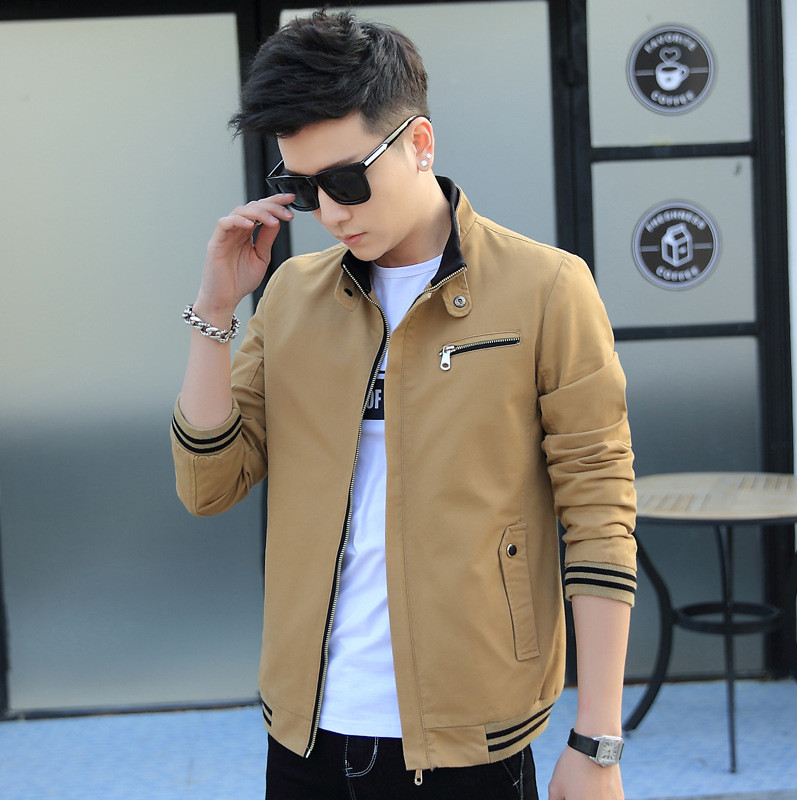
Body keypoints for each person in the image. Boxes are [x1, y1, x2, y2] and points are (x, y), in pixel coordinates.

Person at [171, 10, 637, 800]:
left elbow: (598, 511)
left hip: (472, 741)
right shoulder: (291, 297)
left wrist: (597, 741)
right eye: (303, 189)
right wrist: (215, 313)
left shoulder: (547, 289)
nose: (331, 212)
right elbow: (207, 486)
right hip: (306, 734)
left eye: (347, 181)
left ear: (420, 143)